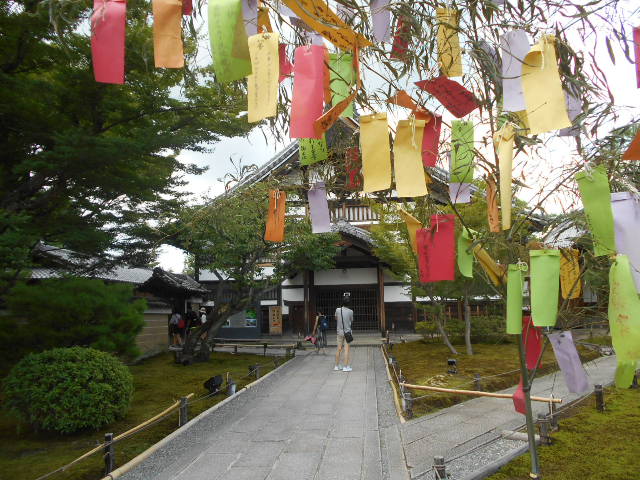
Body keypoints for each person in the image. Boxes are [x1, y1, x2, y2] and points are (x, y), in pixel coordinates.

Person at [335, 295, 353, 372]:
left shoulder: (338, 310)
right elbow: (351, 320)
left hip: (339, 332)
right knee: (346, 350)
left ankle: (336, 366)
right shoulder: (350, 311)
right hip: (347, 333)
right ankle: (345, 367)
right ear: (349, 303)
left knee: (338, 349)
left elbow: (336, 318)